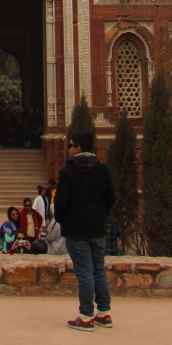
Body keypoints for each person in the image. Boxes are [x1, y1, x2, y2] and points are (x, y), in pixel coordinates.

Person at [55, 132, 116, 331]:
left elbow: (61, 203)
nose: (68, 148)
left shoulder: (68, 172)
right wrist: (99, 214)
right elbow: (111, 198)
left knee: (84, 273)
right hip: (97, 228)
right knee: (98, 269)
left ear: (78, 148)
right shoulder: (103, 170)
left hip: (76, 230)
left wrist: (62, 220)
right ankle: (104, 313)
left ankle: (86, 316)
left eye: (70, 145)